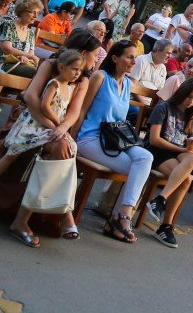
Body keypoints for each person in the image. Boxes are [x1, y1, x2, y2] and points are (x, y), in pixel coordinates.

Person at [2, 48, 85, 247]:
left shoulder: (81, 79)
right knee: (61, 149)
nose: (96, 57)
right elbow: (31, 99)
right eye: (93, 52)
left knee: (65, 150)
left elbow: (74, 113)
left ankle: (23, 220)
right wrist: (56, 126)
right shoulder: (50, 67)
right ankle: (65, 214)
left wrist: (62, 128)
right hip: (29, 128)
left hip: (53, 131)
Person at [74, 40, 154, 244]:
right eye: (129, 57)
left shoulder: (127, 83)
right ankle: (120, 219)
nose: (134, 61)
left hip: (114, 139)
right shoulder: (100, 77)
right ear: (115, 58)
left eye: (135, 57)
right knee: (135, 170)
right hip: (90, 137)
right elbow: (81, 109)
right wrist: (73, 139)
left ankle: (121, 216)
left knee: (145, 158)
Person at [143, 78, 193, 247]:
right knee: (185, 181)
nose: (191, 101)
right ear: (181, 93)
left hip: (178, 153)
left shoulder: (192, 115)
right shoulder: (164, 107)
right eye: (189, 97)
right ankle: (166, 226)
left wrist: (190, 146)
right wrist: (181, 149)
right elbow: (154, 139)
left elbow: (188, 149)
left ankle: (161, 199)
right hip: (157, 151)